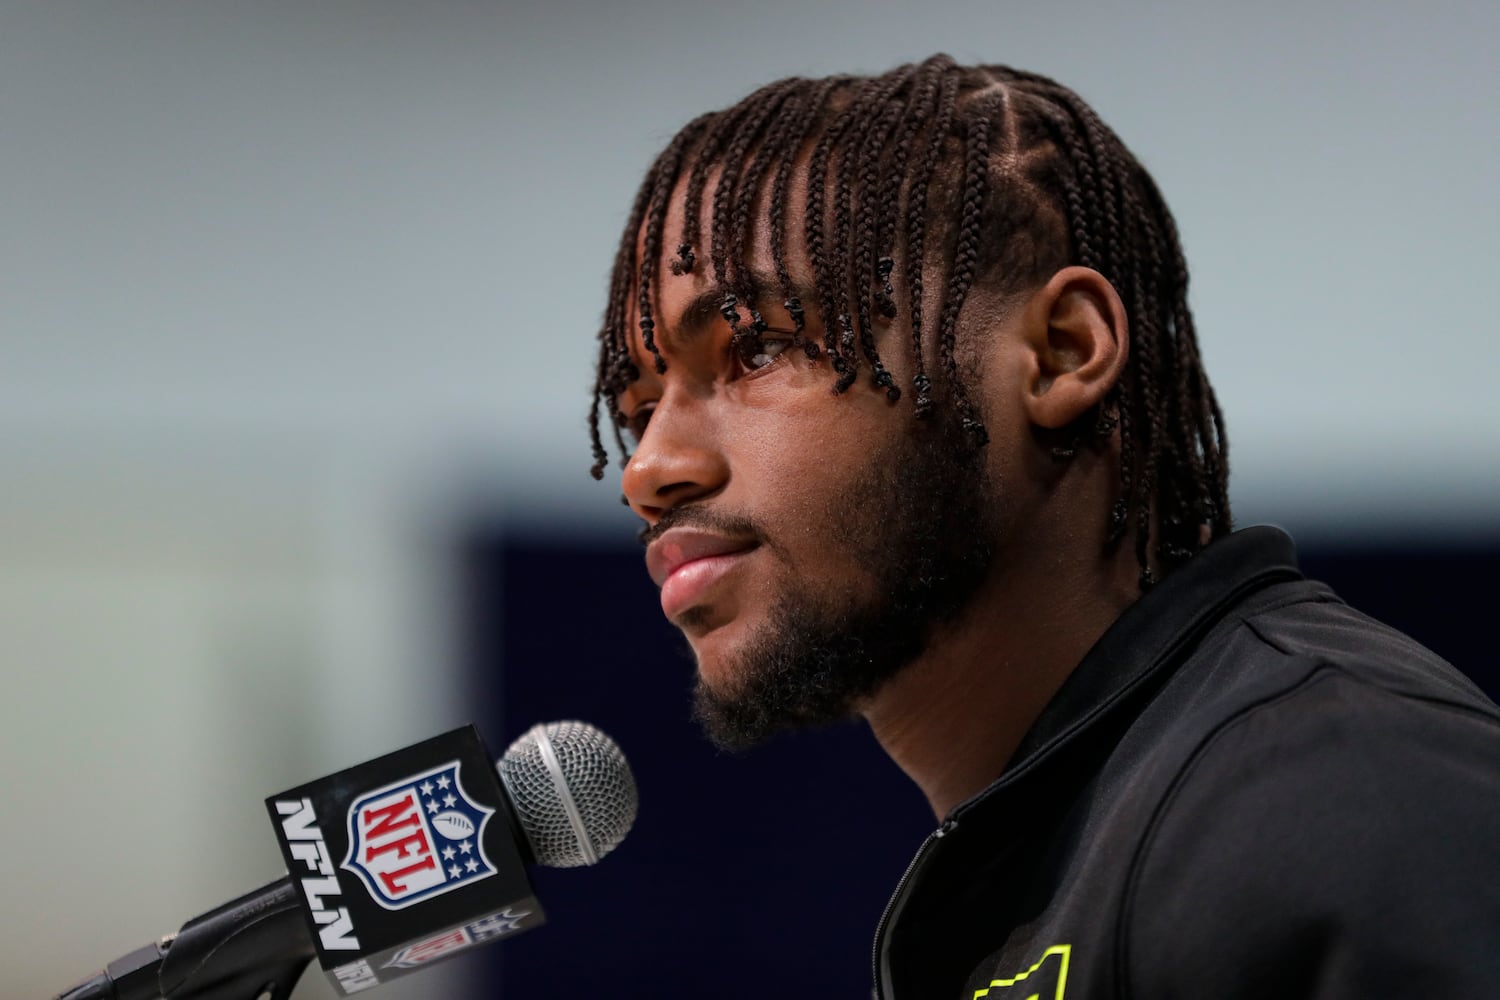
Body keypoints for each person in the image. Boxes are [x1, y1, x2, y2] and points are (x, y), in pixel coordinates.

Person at [584, 55, 1500, 998]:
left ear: (1062, 352)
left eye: (755, 349)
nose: (649, 470)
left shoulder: (1348, 793)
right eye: (638, 411)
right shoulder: (1054, 855)